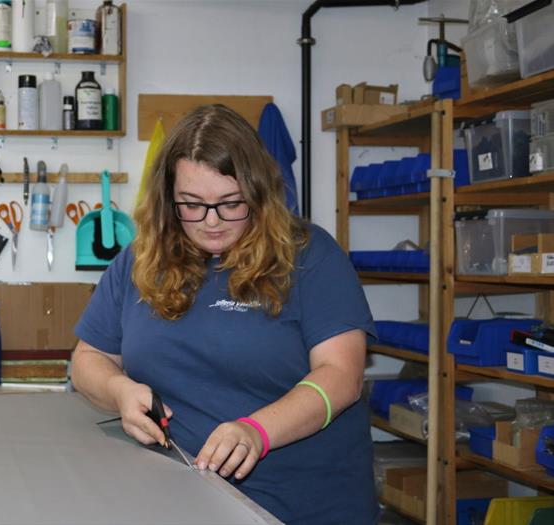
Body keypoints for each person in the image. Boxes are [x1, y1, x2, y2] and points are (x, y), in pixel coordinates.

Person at [72, 104, 377, 525]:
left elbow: (343, 376)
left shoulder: (310, 256)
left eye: (230, 204)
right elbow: (87, 360)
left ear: (258, 193)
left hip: (299, 506)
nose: (211, 221)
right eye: (192, 205)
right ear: (167, 198)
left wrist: (258, 430)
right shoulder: (140, 261)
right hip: (177, 500)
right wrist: (119, 391)